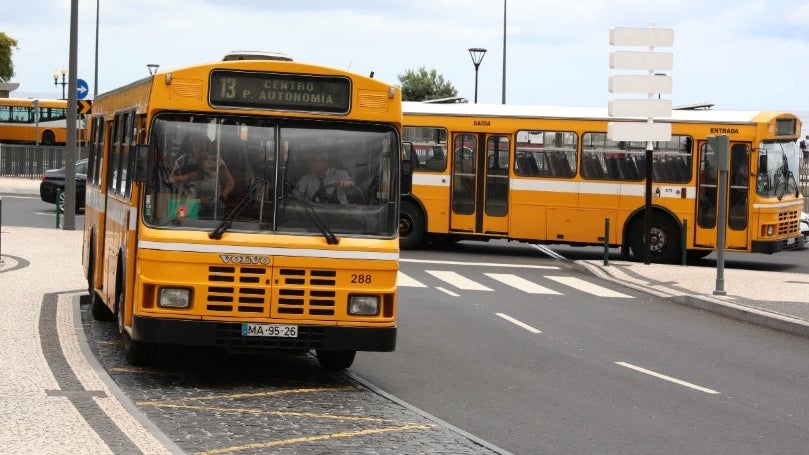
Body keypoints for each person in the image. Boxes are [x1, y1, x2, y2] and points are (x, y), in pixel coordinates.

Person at [170, 134, 235, 216]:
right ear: (192, 144)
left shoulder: (216, 160)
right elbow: (171, 179)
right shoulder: (183, 160)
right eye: (197, 143)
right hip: (189, 206)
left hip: (213, 208)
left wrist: (223, 195)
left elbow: (230, 182)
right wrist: (187, 177)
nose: (201, 146)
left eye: (204, 143)